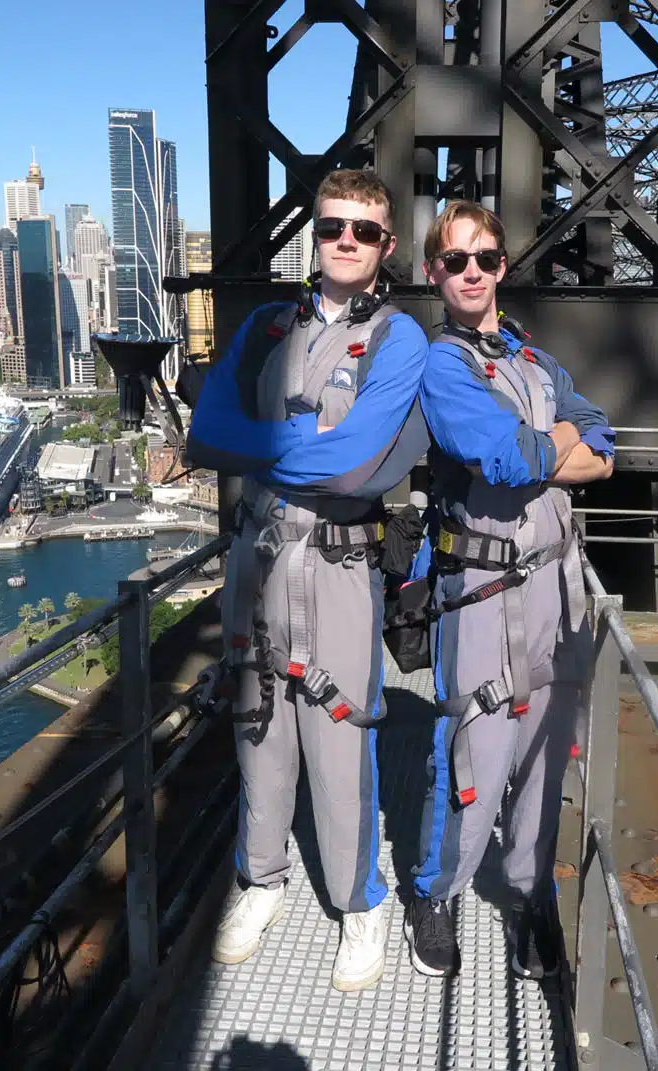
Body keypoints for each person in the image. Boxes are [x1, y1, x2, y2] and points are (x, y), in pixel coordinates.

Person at [186, 169, 430, 992]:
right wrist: (303, 443)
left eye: (364, 231)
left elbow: (360, 463)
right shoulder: (262, 326)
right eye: (333, 228)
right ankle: (261, 880)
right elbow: (204, 434)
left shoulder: (401, 341)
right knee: (257, 724)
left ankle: (359, 902)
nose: (346, 242)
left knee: (338, 734)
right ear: (314, 236)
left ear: (386, 245)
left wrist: (270, 442)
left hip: (340, 564)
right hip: (257, 556)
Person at [403, 200, 615, 980]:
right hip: (481, 588)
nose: (470, 272)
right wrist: (562, 444)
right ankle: (438, 891)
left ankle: (529, 893)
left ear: (501, 266)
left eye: (484, 258)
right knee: (474, 749)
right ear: (434, 271)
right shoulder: (441, 362)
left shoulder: (530, 356)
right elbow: (499, 457)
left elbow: (605, 438)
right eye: (454, 260)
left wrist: (557, 444)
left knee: (547, 750)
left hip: (557, 584)